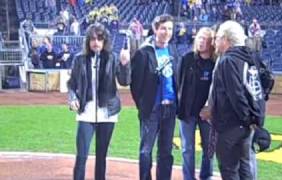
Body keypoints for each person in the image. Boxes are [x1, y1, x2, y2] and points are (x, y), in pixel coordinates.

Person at [67, 23, 131, 180]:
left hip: (107, 113)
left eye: (100, 39)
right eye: (93, 39)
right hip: (86, 113)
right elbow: (72, 84)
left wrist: (125, 64)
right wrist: (73, 98)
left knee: (101, 157)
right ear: (88, 41)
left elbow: (124, 81)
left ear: (105, 41)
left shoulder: (113, 58)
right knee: (81, 156)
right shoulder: (79, 59)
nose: (96, 42)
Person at [130, 14, 179, 180]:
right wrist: (144, 105)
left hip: (170, 109)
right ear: (155, 29)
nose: (167, 32)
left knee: (166, 152)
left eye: (170, 28)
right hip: (151, 109)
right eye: (164, 28)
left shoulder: (173, 50)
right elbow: (135, 85)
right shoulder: (143, 52)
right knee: (146, 151)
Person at [210, 20, 257, 180]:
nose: (214, 42)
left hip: (231, 124)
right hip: (246, 125)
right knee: (244, 166)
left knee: (229, 169)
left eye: (217, 38)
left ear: (226, 39)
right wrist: (251, 120)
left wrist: (245, 118)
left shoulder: (228, 60)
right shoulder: (249, 57)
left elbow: (236, 95)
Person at [178, 27, 216, 180]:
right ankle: (188, 177)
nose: (201, 41)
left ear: (211, 42)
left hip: (208, 113)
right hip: (187, 112)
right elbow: (178, 82)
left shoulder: (216, 63)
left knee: (209, 147)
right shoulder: (187, 59)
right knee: (187, 148)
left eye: (205, 38)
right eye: (199, 38)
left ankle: (206, 176)